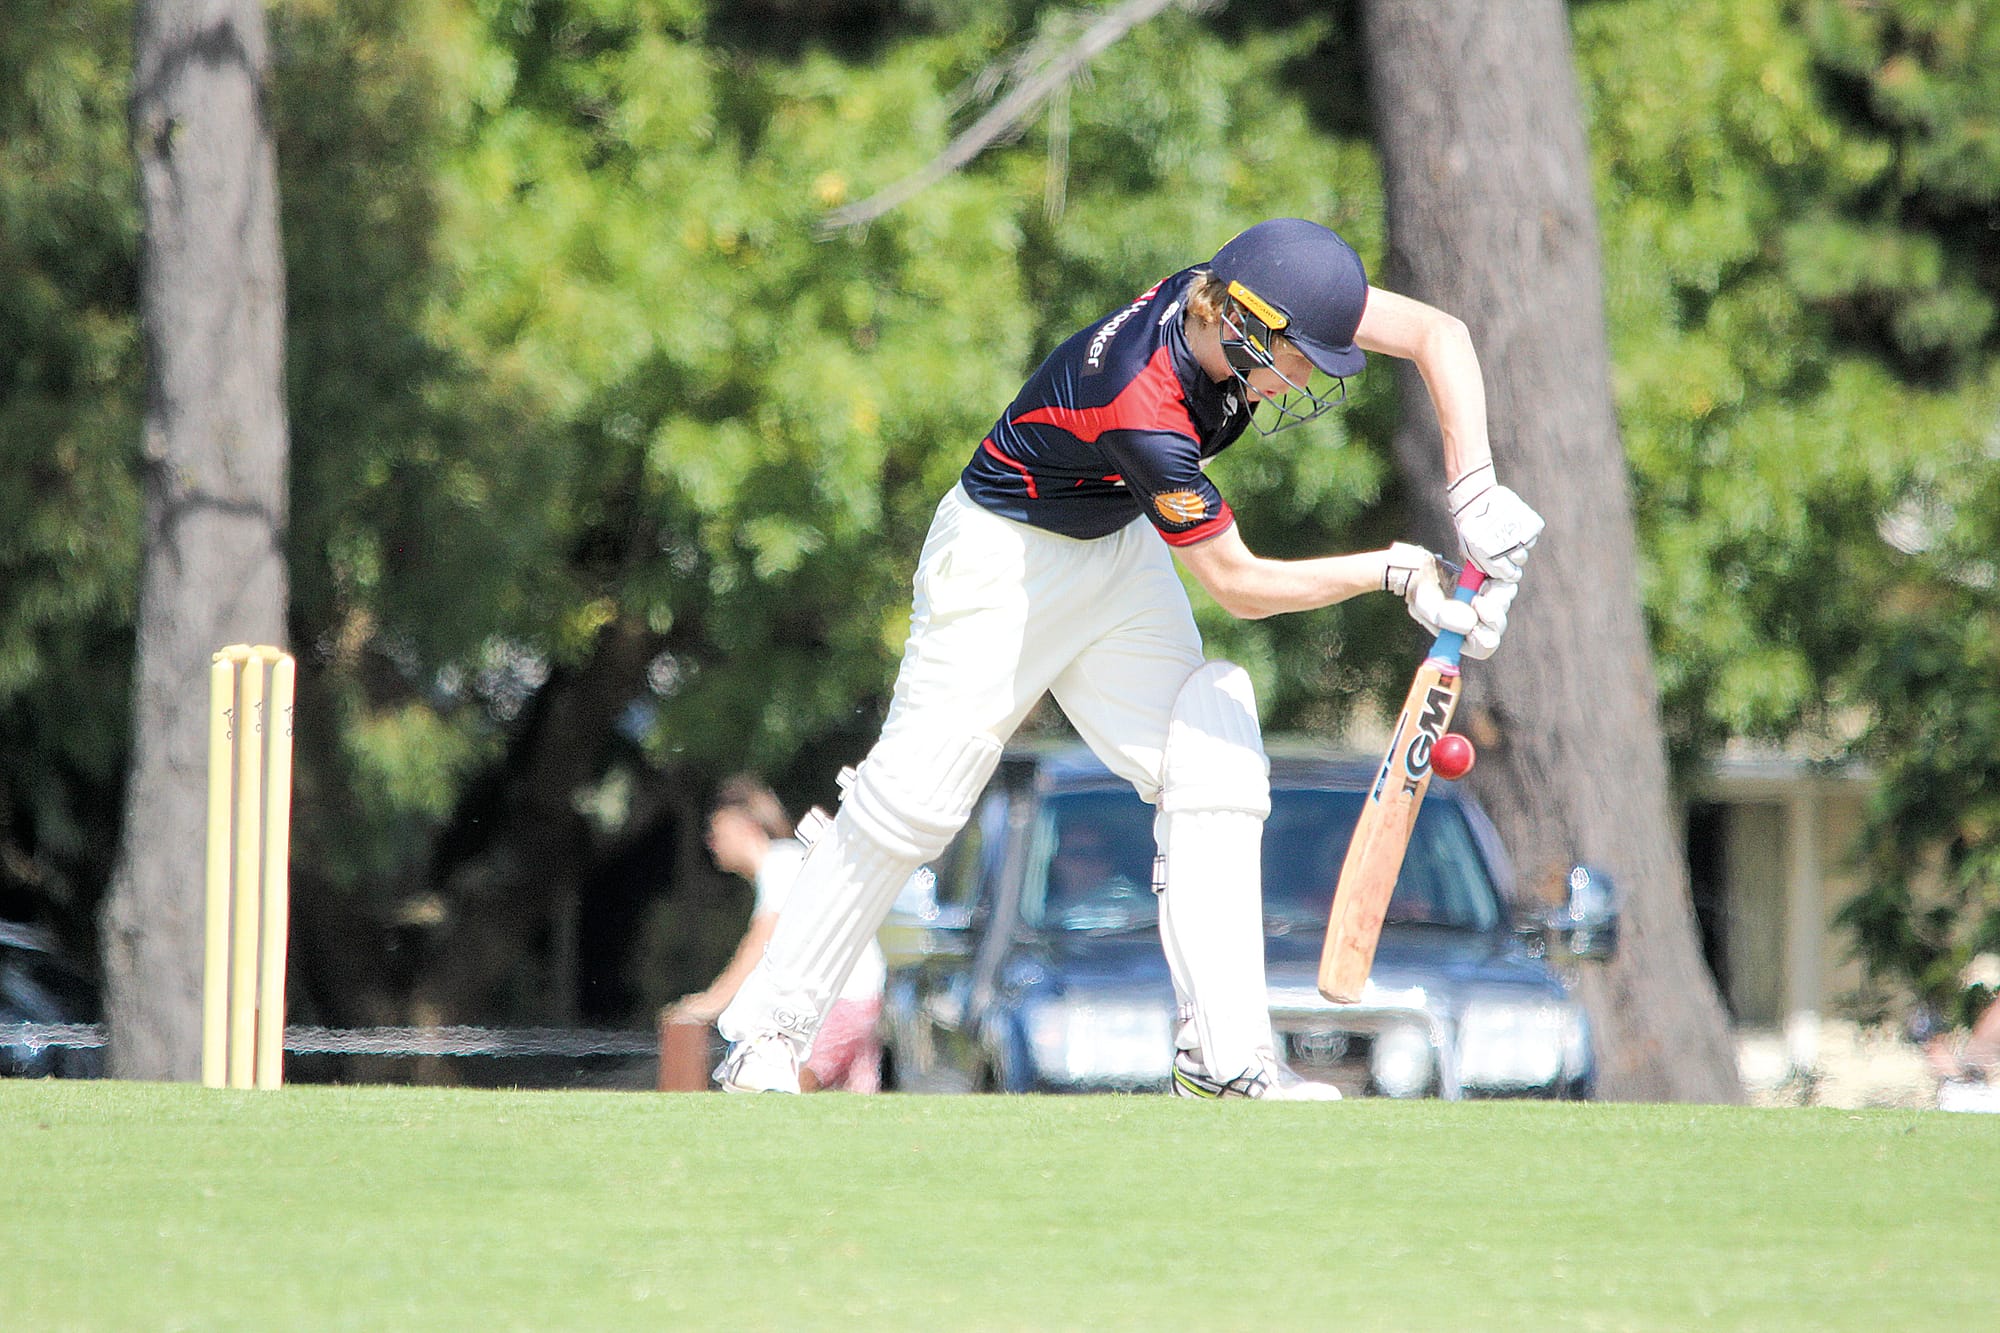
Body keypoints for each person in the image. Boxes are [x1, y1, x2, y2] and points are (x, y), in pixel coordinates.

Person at [716, 217, 1542, 1099]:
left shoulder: (1249, 288)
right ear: (1242, 324)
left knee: (1215, 746)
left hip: (1112, 545)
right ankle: (765, 1033)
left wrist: (1475, 492)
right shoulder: (1139, 395)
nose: (1304, 375)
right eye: (1297, 356)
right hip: (1004, 558)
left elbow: (1435, 333)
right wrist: (1395, 569)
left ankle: (1224, 1059)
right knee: (914, 802)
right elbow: (1237, 582)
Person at [676, 775, 885, 1092]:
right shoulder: (788, 859)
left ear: (745, 827)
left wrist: (712, 1002)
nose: (711, 842)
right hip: (856, 997)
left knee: (774, 1090)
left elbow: (762, 943)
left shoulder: (780, 863)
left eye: (717, 831)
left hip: (835, 1002)